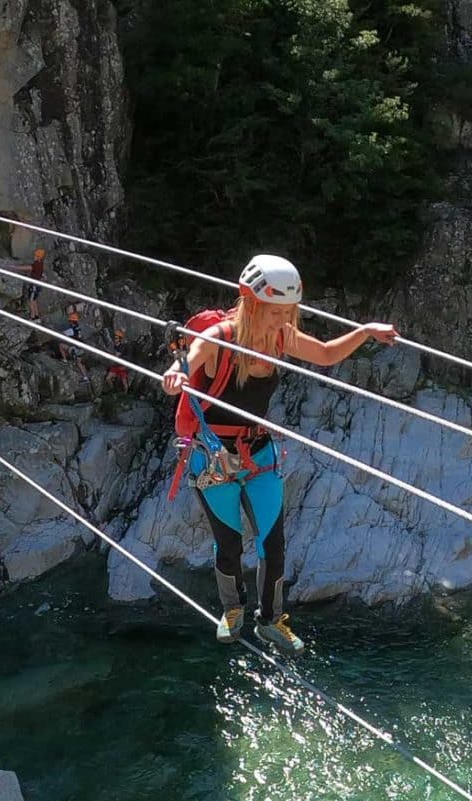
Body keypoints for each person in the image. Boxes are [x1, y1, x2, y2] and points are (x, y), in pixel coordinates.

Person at [162, 254, 398, 656]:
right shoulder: (220, 336)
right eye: (275, 312)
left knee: (273, 542)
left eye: (288, 312)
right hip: (212, 457)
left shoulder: (280, 337)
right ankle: (233, 610)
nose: (282, 320)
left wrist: (364, 331)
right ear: (251, 303)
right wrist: (176, 375)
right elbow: (189, 358)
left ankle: (271, 621)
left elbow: (324, 354)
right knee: (229, 542)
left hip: (258, 452)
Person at [59, 303, 90, 382]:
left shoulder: (71, 330)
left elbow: (62, 334)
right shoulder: (78, 328)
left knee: (61, 345)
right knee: (80, 362)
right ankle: (85, 377)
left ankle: (65, 360)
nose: (69, 322)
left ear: (72, 322)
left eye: (70, 321)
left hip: (77, 348)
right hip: (82, 347)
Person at [13, 248, 46, 319]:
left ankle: (32, 317)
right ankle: (37, 316)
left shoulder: (37, 264)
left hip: (34, 285)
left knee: (31, 300)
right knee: (34, 300)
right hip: (38, 285)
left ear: (38, 257)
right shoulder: (40, 263)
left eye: (35, 255)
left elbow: (28, 267)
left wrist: (15, 267)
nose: (34, 256)